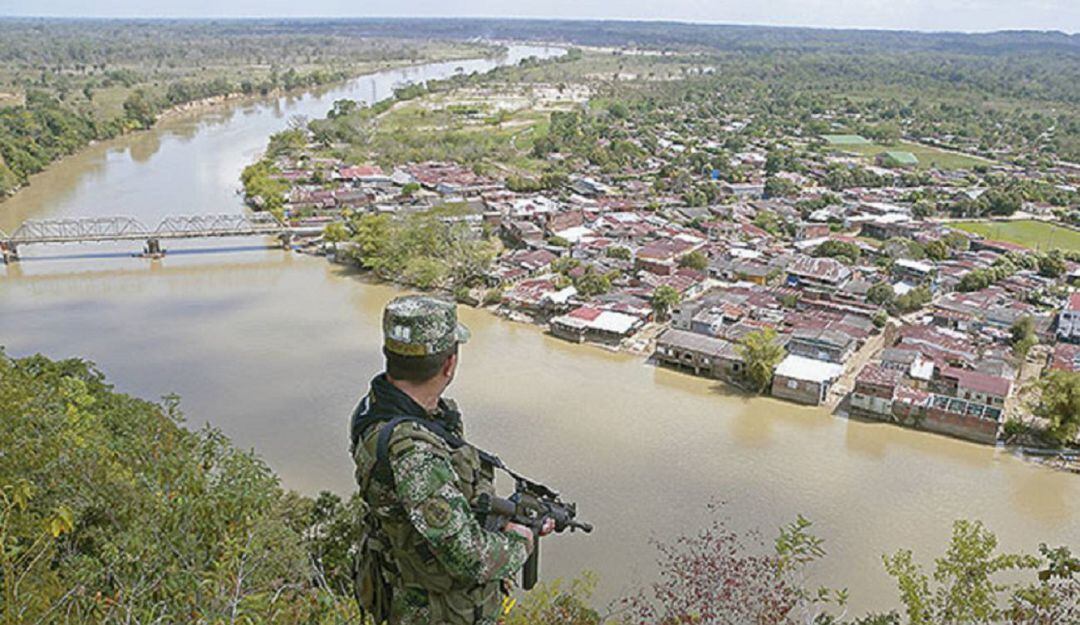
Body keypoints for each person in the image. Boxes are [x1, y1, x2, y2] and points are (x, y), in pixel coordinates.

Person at [350, 295, 550, 625]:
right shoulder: (415, 453)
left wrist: (500, 518)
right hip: (433, 611)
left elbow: (422, 509)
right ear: (449, 364)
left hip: (404, 586)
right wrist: (520, 538)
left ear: (390, 354)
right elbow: (470, 559)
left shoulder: (376, 407)